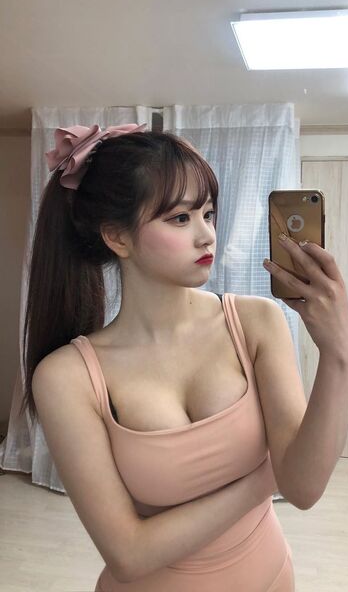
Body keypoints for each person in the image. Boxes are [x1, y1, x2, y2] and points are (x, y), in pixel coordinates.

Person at [22, 124, 296, 590]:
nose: (207, 235)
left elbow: (307, 486)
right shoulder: (66, 377)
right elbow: (129, 556)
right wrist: (267, 477)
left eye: (208, 213)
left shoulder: (255, 321)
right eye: (180, 218)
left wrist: (340, 352)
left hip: (272, 576)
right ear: (118, 237)